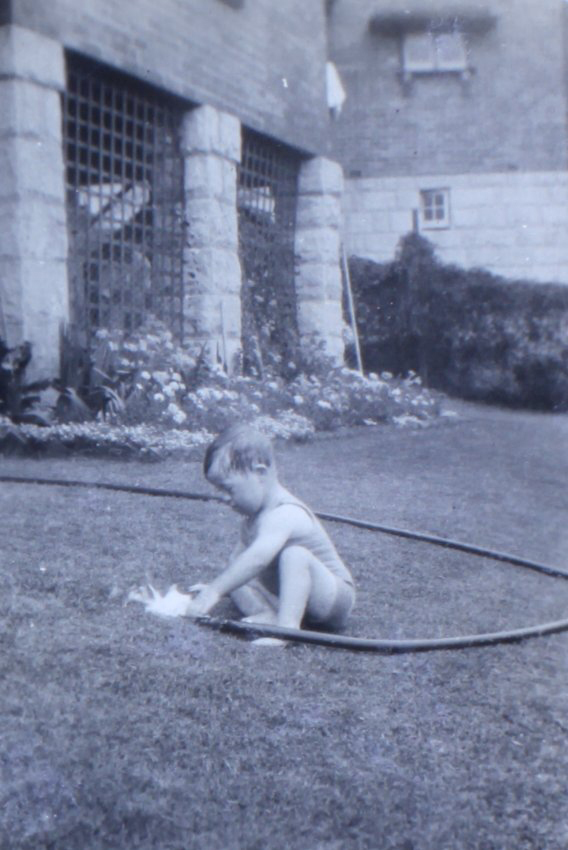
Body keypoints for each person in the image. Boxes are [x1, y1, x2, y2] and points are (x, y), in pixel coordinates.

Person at [184, 423, 356, 646]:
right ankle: (266, 613)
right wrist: (218, 586)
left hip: (332, 600)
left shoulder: (285, 513)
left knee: (295, 555)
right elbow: (241, 563)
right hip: (293, 596)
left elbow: (257, 559)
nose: (223, 498)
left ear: (260, 473)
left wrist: (213, 593)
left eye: (228, 489)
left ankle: (286, 631)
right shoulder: (252, 517)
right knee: (236, 567)